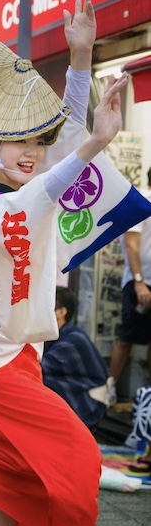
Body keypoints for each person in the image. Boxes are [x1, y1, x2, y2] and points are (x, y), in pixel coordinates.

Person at [0, 0, 136, 526]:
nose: (33, 152)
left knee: (18, 482)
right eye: (19, 141)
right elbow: (59, 173)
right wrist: (95, 142)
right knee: (75, 457)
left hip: (16, 354)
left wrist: (80, 58)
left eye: (37, 142)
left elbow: (67, 137)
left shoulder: (19, 192)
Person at [106, 170, 151, 405]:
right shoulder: (141, 200)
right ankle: (110, 389)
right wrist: (139, 281)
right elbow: (131, 245)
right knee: (127, 338)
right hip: (140, 283)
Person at [41, 286, 108, 432]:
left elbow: (38, 368)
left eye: (43, 304)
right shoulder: (54, 335)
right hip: (79, 395)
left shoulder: (73, 340)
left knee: (37, 385)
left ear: (61, 312)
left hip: (89, 406)